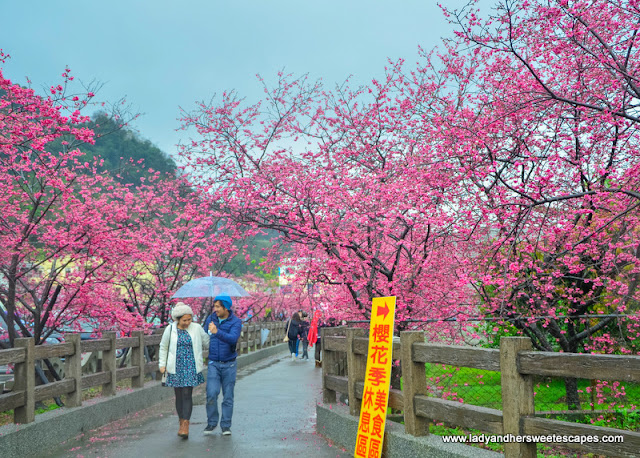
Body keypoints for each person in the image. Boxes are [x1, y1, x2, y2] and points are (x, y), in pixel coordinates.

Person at [158, 302, 210, 439]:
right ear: (177, 319)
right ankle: (181, 421)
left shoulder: (197, 328)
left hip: (191, 366)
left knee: (187, 393)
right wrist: (162, 365)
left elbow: (207, 343)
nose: (188, 322)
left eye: (190, 319)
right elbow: (163, 347)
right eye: (185, 320)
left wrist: (214, 332)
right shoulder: (170, 329)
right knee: (179, 395)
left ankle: (186, 424)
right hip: (175, 366)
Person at [203, 295, 242, 436]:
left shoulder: (236, 322)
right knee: (211, 394)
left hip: (229, 364)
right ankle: (211, 423)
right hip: (213, 362)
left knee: (228, 396)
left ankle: (226, 425)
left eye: (218, 306)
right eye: (215, 306)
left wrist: (217, 332)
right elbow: (203, 335)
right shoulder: (211, 319)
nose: (216, 309)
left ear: (226, 307)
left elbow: (232, 339)